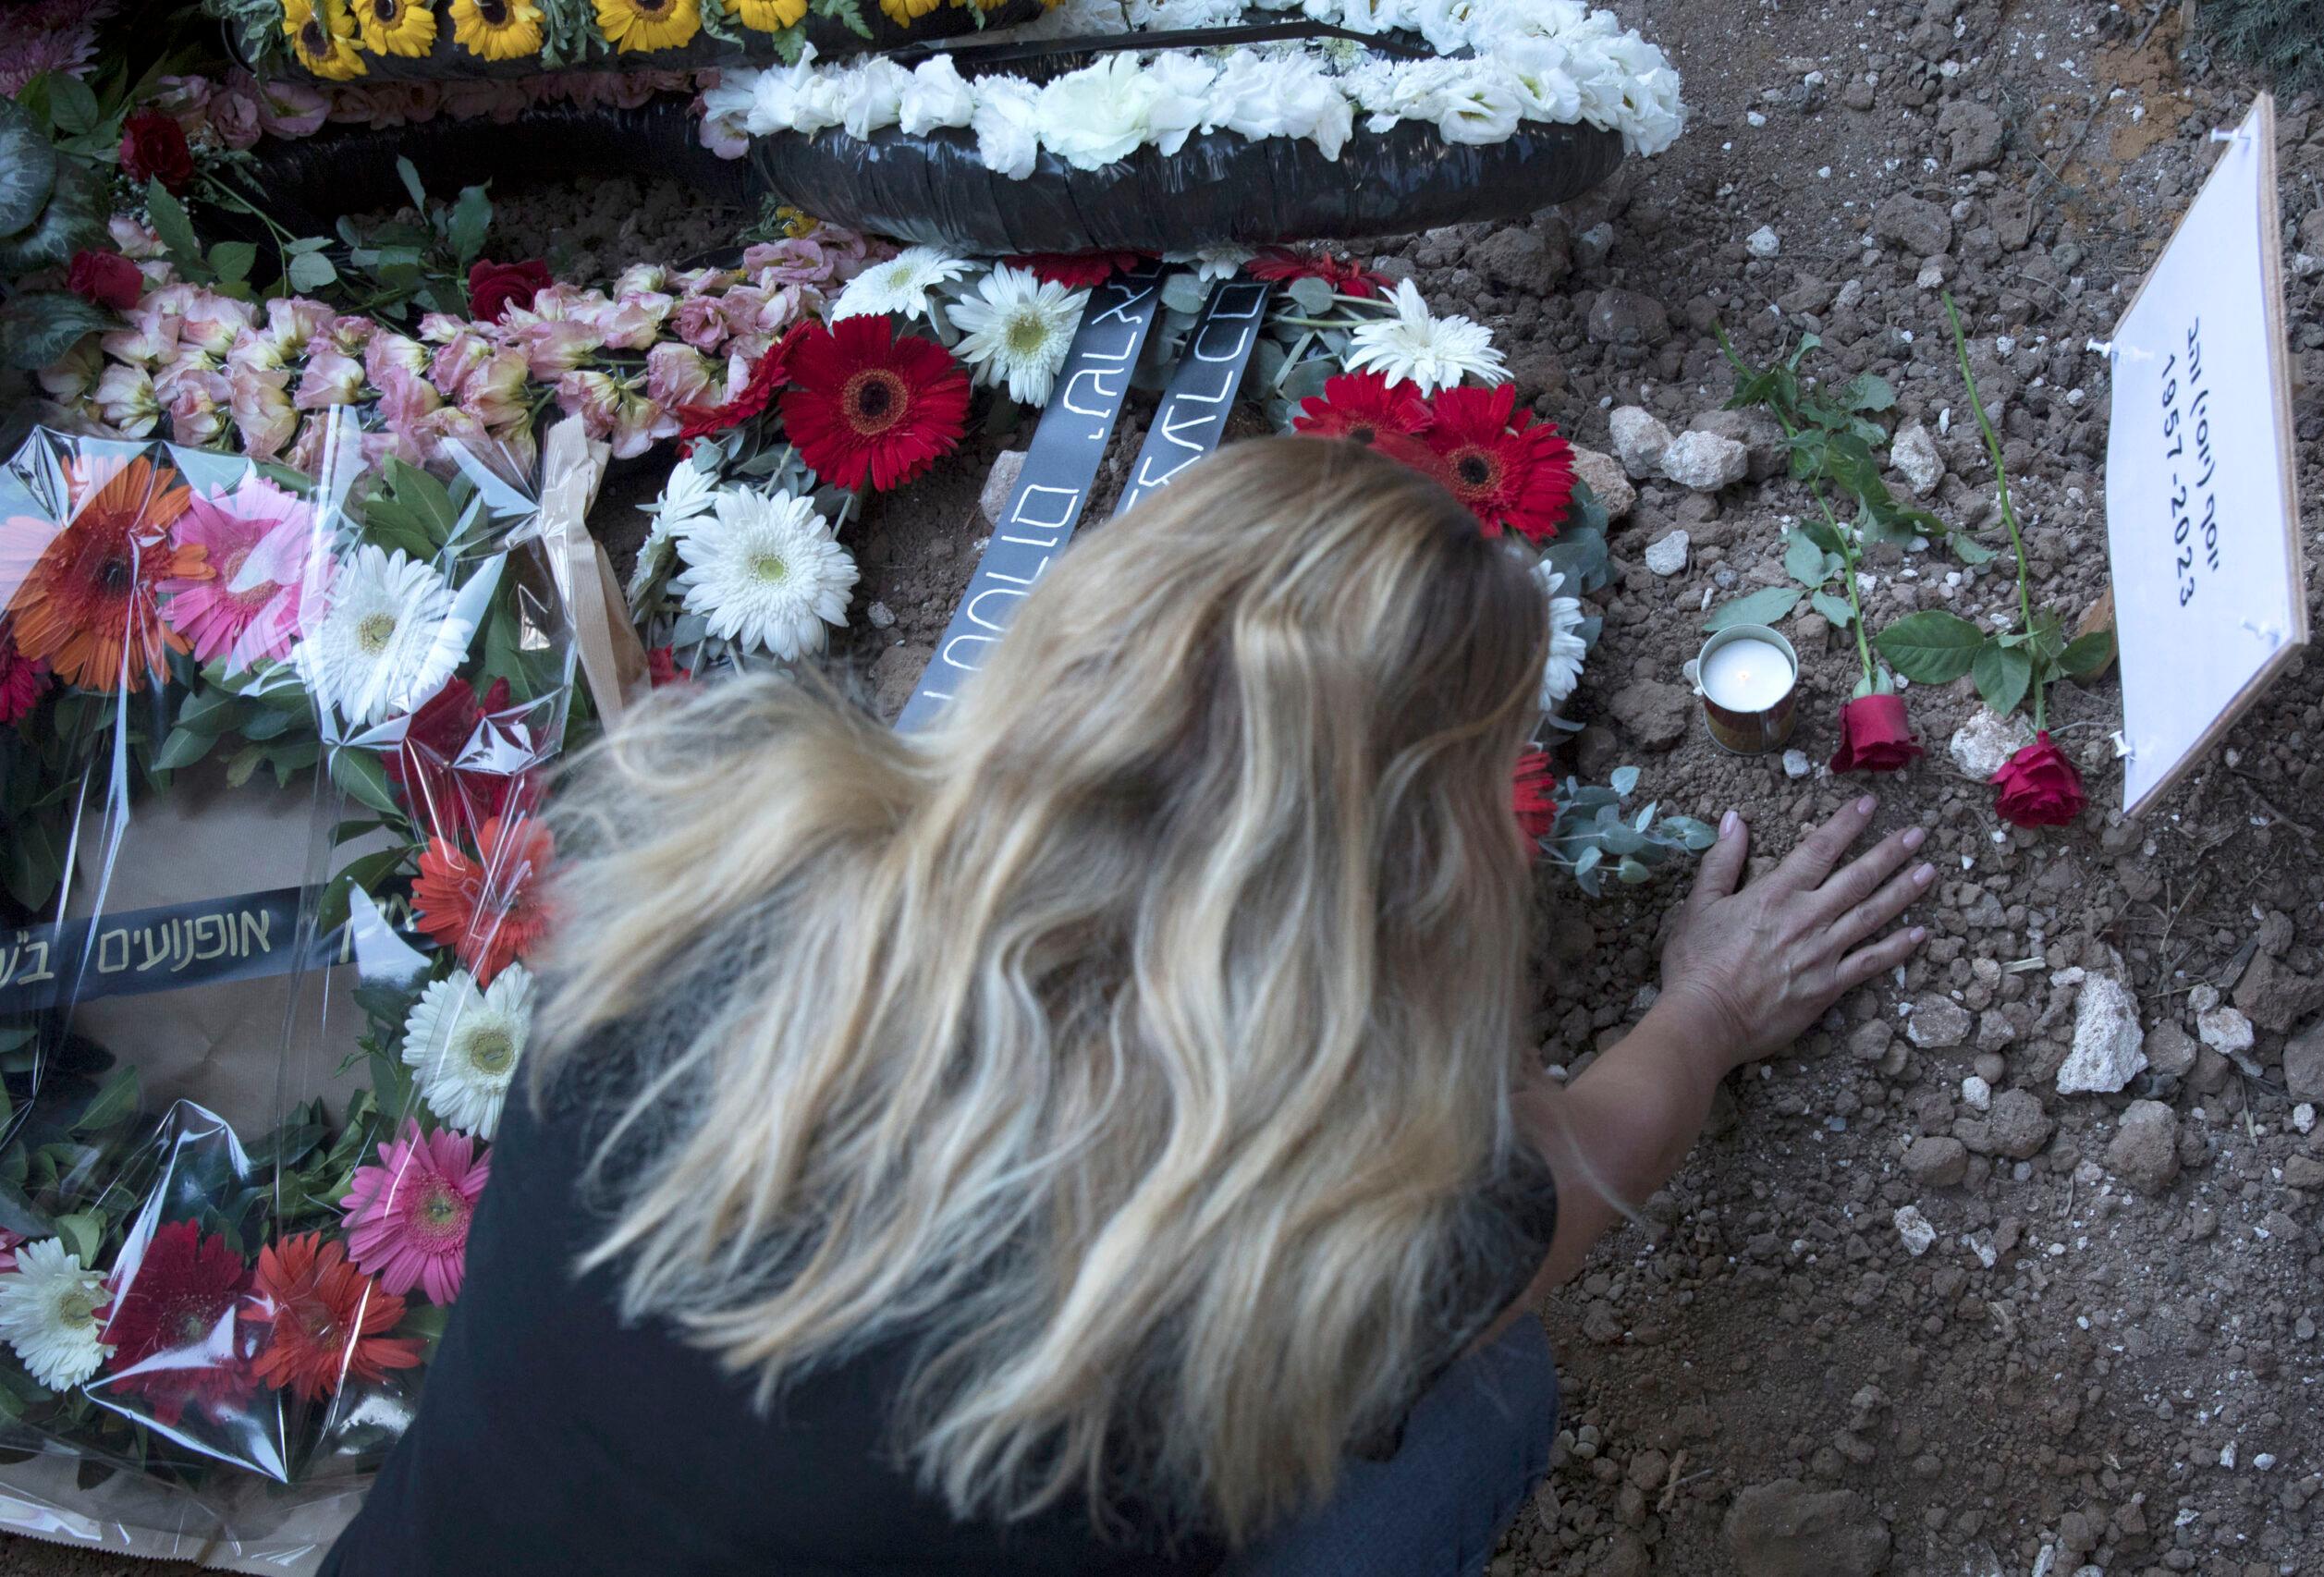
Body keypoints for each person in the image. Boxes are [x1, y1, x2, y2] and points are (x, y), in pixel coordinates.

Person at [322, 438, 1933, 1577]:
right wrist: (1707, 1007)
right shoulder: (1302, 1247)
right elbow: (1559, 1175)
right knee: (1478, 1409)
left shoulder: (710, 864)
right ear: (1420, 871)